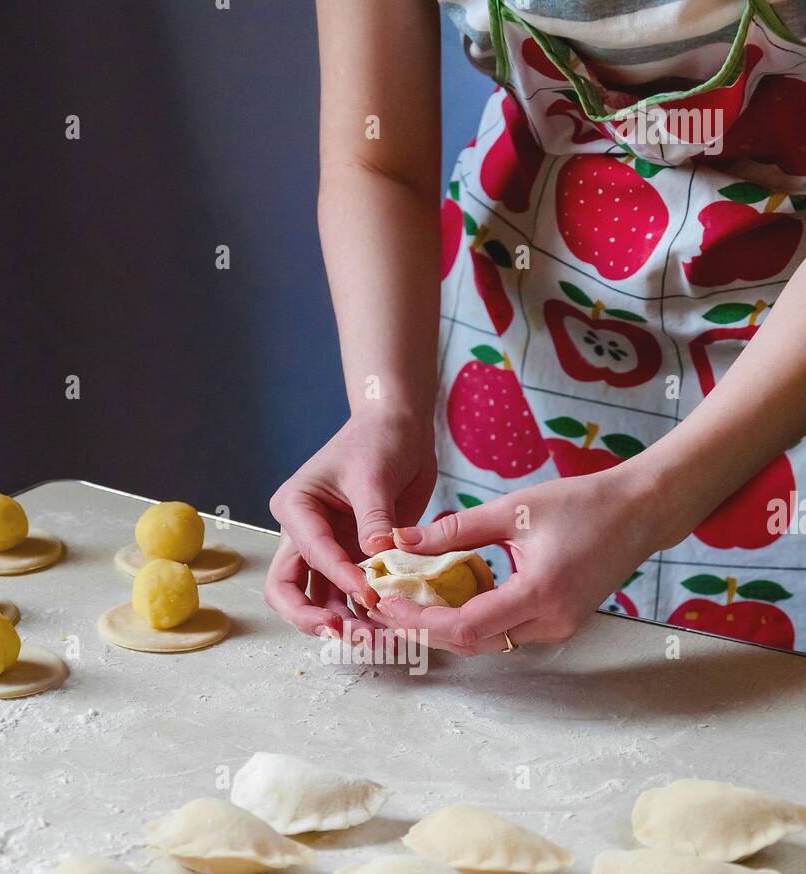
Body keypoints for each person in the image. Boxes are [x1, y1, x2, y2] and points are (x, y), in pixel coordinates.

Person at [266, 0, 806, 659]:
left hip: (781, 371)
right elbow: (377, 162)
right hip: (510, 333)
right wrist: (385, 412)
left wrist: (650, 500)